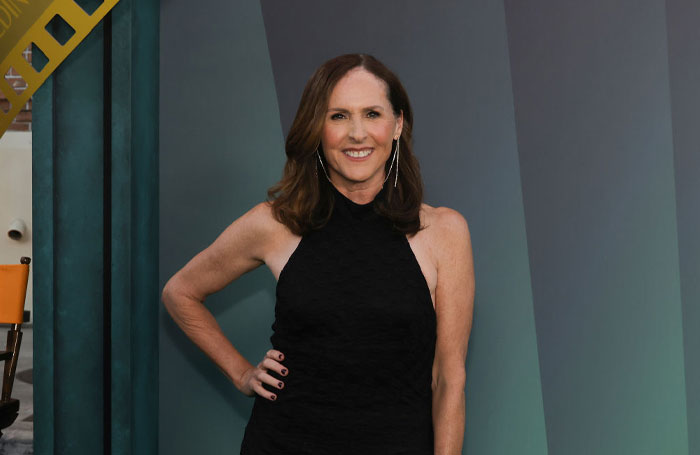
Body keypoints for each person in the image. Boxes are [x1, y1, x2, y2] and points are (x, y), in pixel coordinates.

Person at [161, 53, 475, 454]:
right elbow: (180, 292)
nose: (357, 133)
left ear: (397, 125)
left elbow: (449, 378)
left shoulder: (444, 232)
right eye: (338, 116)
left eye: (372, 114)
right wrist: (242, 373)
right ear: (317, 128)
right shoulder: (274, 223)